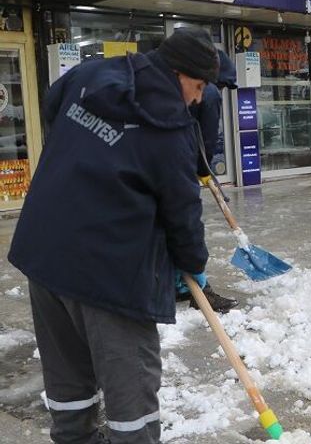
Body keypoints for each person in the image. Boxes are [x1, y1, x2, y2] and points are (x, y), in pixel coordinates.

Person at [8, 27, 218, 444]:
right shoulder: (171, 128)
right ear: (179, 73)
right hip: (111, 271)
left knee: (66, 373)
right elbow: (182, 213)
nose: (197, 100)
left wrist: (90, 155)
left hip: (45, 250)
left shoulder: (91, 75)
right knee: (130, 393)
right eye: (197, 87)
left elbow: (52, 107)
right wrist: (193, 262)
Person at [181, 48, 239, 313]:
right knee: (186, 228)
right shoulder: (211, 92)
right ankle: (200, 290)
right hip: (181, 168)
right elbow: (207, 138)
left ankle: (183, 286)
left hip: (172, 163)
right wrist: (203, 168)